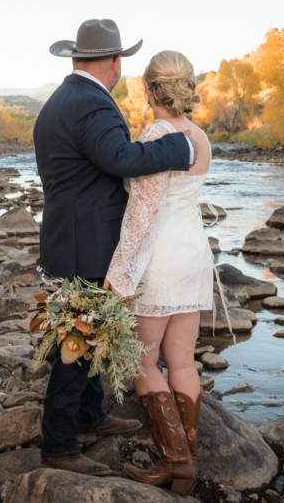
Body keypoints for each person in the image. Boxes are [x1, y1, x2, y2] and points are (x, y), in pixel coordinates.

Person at [33, 19, 198, 477]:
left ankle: (89, 417)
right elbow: (119, 159)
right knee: (77, 342)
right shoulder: (91, 103)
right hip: (85, 240)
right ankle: (60, 445)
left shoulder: (62, 99)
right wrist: (177, 149)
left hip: (69, 234)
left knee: (88, 333)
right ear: (115, 62)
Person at [105, 50, 214, 495]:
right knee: (183, 360)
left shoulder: (157, 133)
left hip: (161, 255)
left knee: (142, 361)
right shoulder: (200, 136)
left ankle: (175, 462)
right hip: (195, 253)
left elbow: (144, 211)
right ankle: (186, 458)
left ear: (148, 90)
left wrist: (119, 274)